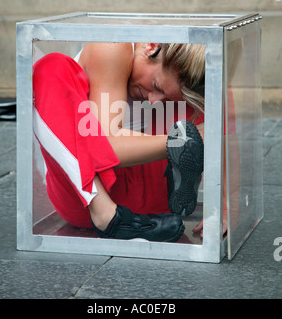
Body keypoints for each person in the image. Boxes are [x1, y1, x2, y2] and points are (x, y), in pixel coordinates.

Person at [32, 42, 205, 242]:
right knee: (50, 68)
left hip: (157, 205)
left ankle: (179, 168)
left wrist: (224, 210)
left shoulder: (159, 74)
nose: (153, 100)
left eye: (165, 96)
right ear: (150, 46)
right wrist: (181, 141)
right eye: (156, 86)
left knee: (202, 83)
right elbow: (106, 147)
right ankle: (106, 214)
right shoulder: (111, 48)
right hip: (90, 202)